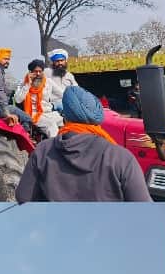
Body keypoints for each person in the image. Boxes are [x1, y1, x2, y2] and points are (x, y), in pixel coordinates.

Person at [16, 86, 152, 202]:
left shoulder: (42, 151)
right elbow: (144, 209)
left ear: (65, 117)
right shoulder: (120, 157)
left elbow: (23, 197)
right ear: (98, 119)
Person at [0, 48, 33, 128]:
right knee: (27, 118)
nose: (8, 61)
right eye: (5, 59)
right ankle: (26, 133)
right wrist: (6, 111)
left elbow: (5, 90)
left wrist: (16, 91)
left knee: (17, 111)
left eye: (8, 59)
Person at [14, 59, 63, 138]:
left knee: (66, 121)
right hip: (33, 115)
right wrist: (28, 84)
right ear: (30, 72)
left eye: (40, 71)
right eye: (35, 71)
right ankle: (56, 145)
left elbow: (62, 94)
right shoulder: (24, 83)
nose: (38, 74)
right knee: (51, 125)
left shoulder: (48, 82)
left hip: (48, 113)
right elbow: (17, 100)